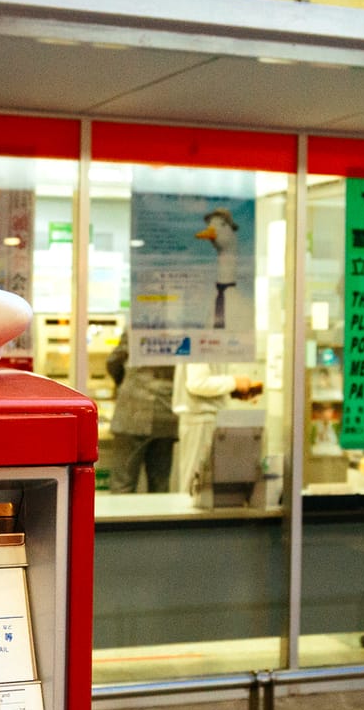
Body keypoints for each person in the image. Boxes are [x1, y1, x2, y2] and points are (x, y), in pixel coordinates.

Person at [171, 360, 262, 500]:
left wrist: (232, 388)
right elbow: (197, 383)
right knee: (195, 484)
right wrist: (234, 382)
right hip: (200, 418)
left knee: (203, 485)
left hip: (205, 418)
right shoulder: (203, 338)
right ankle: (188, 520)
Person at [102, 337, 178, 494]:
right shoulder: (181, 326)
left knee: (122, 485)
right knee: (160, 488)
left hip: (132, 410)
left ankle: (120, 519)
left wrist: (125, 384)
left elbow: (114, 361)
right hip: (166, 412)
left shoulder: (139, 320)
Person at [194, 209, 240, 329]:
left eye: (222, 225)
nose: (212, 229)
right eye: (210, 225)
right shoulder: (212, 301)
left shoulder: (243, 309)